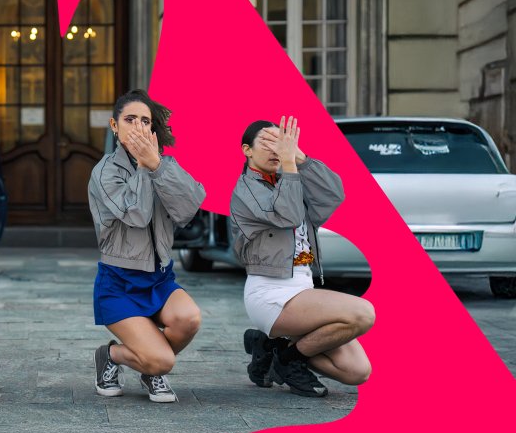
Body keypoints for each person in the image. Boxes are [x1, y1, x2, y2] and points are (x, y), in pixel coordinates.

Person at [231, 117, 374, 397]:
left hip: (302, 291)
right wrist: (289, 167)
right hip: (270, 294)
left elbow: (334, 194)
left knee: (357, 371)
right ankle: (288, 360)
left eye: (281, 142)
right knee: (363, 313)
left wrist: (301, 158)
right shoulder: (245, 190)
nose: (277, 150)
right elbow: (289, 215)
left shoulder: (289, 180)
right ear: (247, 150)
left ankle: (275, 351)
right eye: (268, 142)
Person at [88, 89, 207, 402]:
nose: (139, 127)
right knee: (163, 361)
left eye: (145, 121)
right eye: (130, 120)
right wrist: (144, 167)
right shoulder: (104, 173)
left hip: (160, 278)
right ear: (115, 126)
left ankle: (147, 360)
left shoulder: (162, 164)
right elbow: (137, 215)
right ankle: (113, 355)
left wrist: (158, 167)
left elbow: (189, 208)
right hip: (119, 284)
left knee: (189, 318)